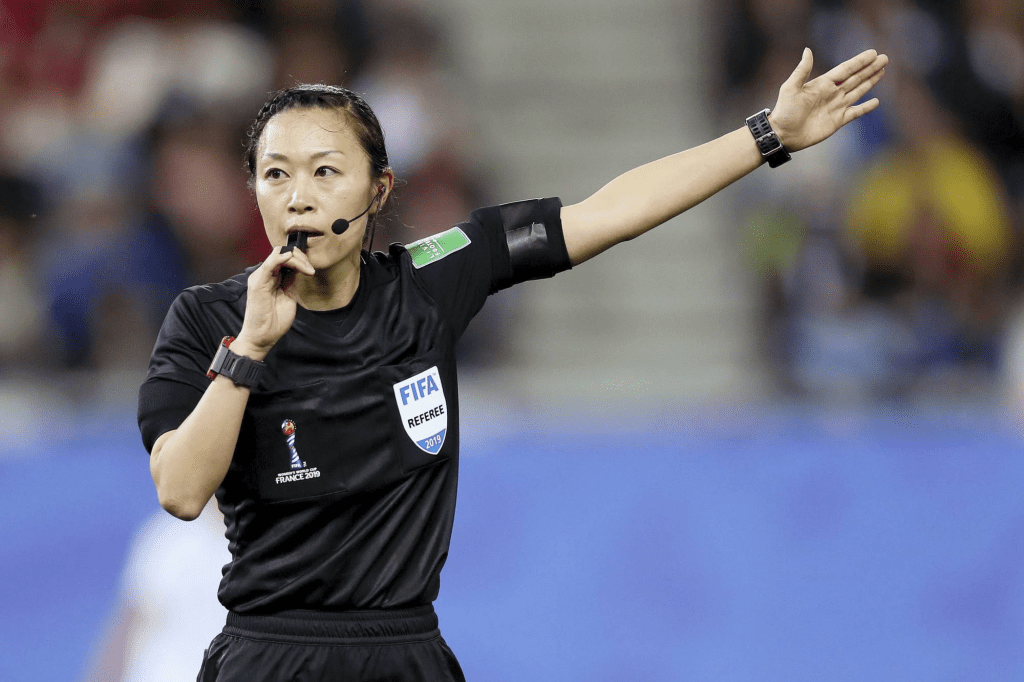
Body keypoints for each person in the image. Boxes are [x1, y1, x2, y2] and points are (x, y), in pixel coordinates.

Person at [137, 47, 887, 681]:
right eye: (276, 175)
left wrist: (768, 135)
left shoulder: (431, 282)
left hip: (406, 651)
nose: (299, 195)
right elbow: (179, 489)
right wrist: (250, 351)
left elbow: (604, 214)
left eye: (326, 171)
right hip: (270, 654)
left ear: (379, 189)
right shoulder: (209, 319)